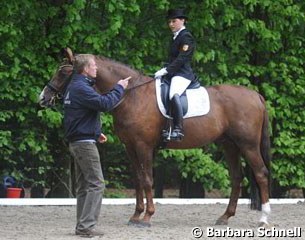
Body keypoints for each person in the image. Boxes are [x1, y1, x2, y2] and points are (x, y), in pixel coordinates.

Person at [63, 54, 130, 237]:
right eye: (93, 65)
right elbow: (105, 103)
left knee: (84, 186)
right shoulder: (81, 87)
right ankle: (86, 227)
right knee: (96, 184)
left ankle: (82, 226)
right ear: (85, 69)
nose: (96, 68)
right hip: (84, 144)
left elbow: (77, 115)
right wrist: (119, 88)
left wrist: (94, 132)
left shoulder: (75, 86)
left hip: (80, 140)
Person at [154, 9, 196, 141]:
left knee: (173, 94)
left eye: (174, 21)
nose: (171, 24)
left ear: (182, 21)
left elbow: (182, 59)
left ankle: (178, 129)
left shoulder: (186, 36)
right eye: (169, 22)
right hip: (173, 73)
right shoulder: (175, 37)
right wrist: (164, 69)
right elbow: (173, 59)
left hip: (182, 74)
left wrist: (166, 70)